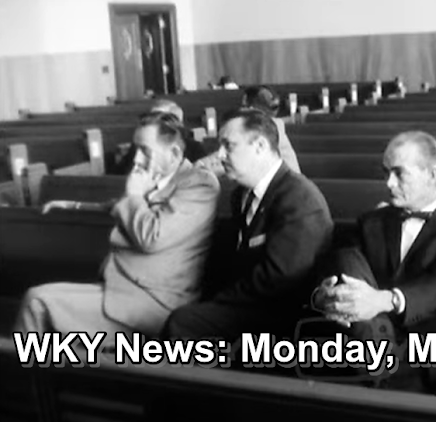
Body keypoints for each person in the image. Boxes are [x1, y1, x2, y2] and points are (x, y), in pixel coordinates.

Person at [14, 111, 220, 344]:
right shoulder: (155, 179)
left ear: (173, 153)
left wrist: (135, 195)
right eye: (136, 149)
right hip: (123, 288)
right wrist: (72, 205)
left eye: (145, 150)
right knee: (43, 306)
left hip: (155, 301)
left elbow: (153, 237)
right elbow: (113, 206)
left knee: (37, 302)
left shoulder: (198, 183)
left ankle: (23, 368)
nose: (136, 159)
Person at [310, 131, 436, 391]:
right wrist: (326, 297)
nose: (389, 183)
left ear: (432, 174)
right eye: (386, 173)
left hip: (428, 348)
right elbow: (344, 274)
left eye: (399, 173)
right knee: (344, 257)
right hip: (364, 337)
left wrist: (383, 300)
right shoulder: (371, 222)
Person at [161, 109, 333, 350]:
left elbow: (279, 278)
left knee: (183, 323)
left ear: (260, 146)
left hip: (281, 311)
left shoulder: (299, 199)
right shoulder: (242, 194)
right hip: (251, 300)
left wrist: (219, 301)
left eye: (228, 146)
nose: (220, 155)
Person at [112, 99, 207, 174]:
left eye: (160, 118)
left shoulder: (194, 149)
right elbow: (122, 175)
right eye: (151, 117)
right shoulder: (138, 146)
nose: (151, 121)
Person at [242, 85, 301, 173]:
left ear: (252, 107)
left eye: (244, 106)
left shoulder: (262, 127)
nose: (242, 110)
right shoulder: (274, 123)